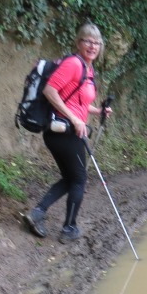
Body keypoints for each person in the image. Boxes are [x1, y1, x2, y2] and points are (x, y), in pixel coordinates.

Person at [23, 22, 112, 243]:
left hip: (69, 130)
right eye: (88, 41)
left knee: (71, 177)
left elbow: (77, 101)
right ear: (78, 42)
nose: (92, 46)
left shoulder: (88, 69)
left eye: (97, 42)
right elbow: (50, 90)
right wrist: (74, 119)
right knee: (79, 179)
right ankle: (69, 229)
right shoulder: (73, 63)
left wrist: (98, 110)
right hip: (64, 131)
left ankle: (37, 213)